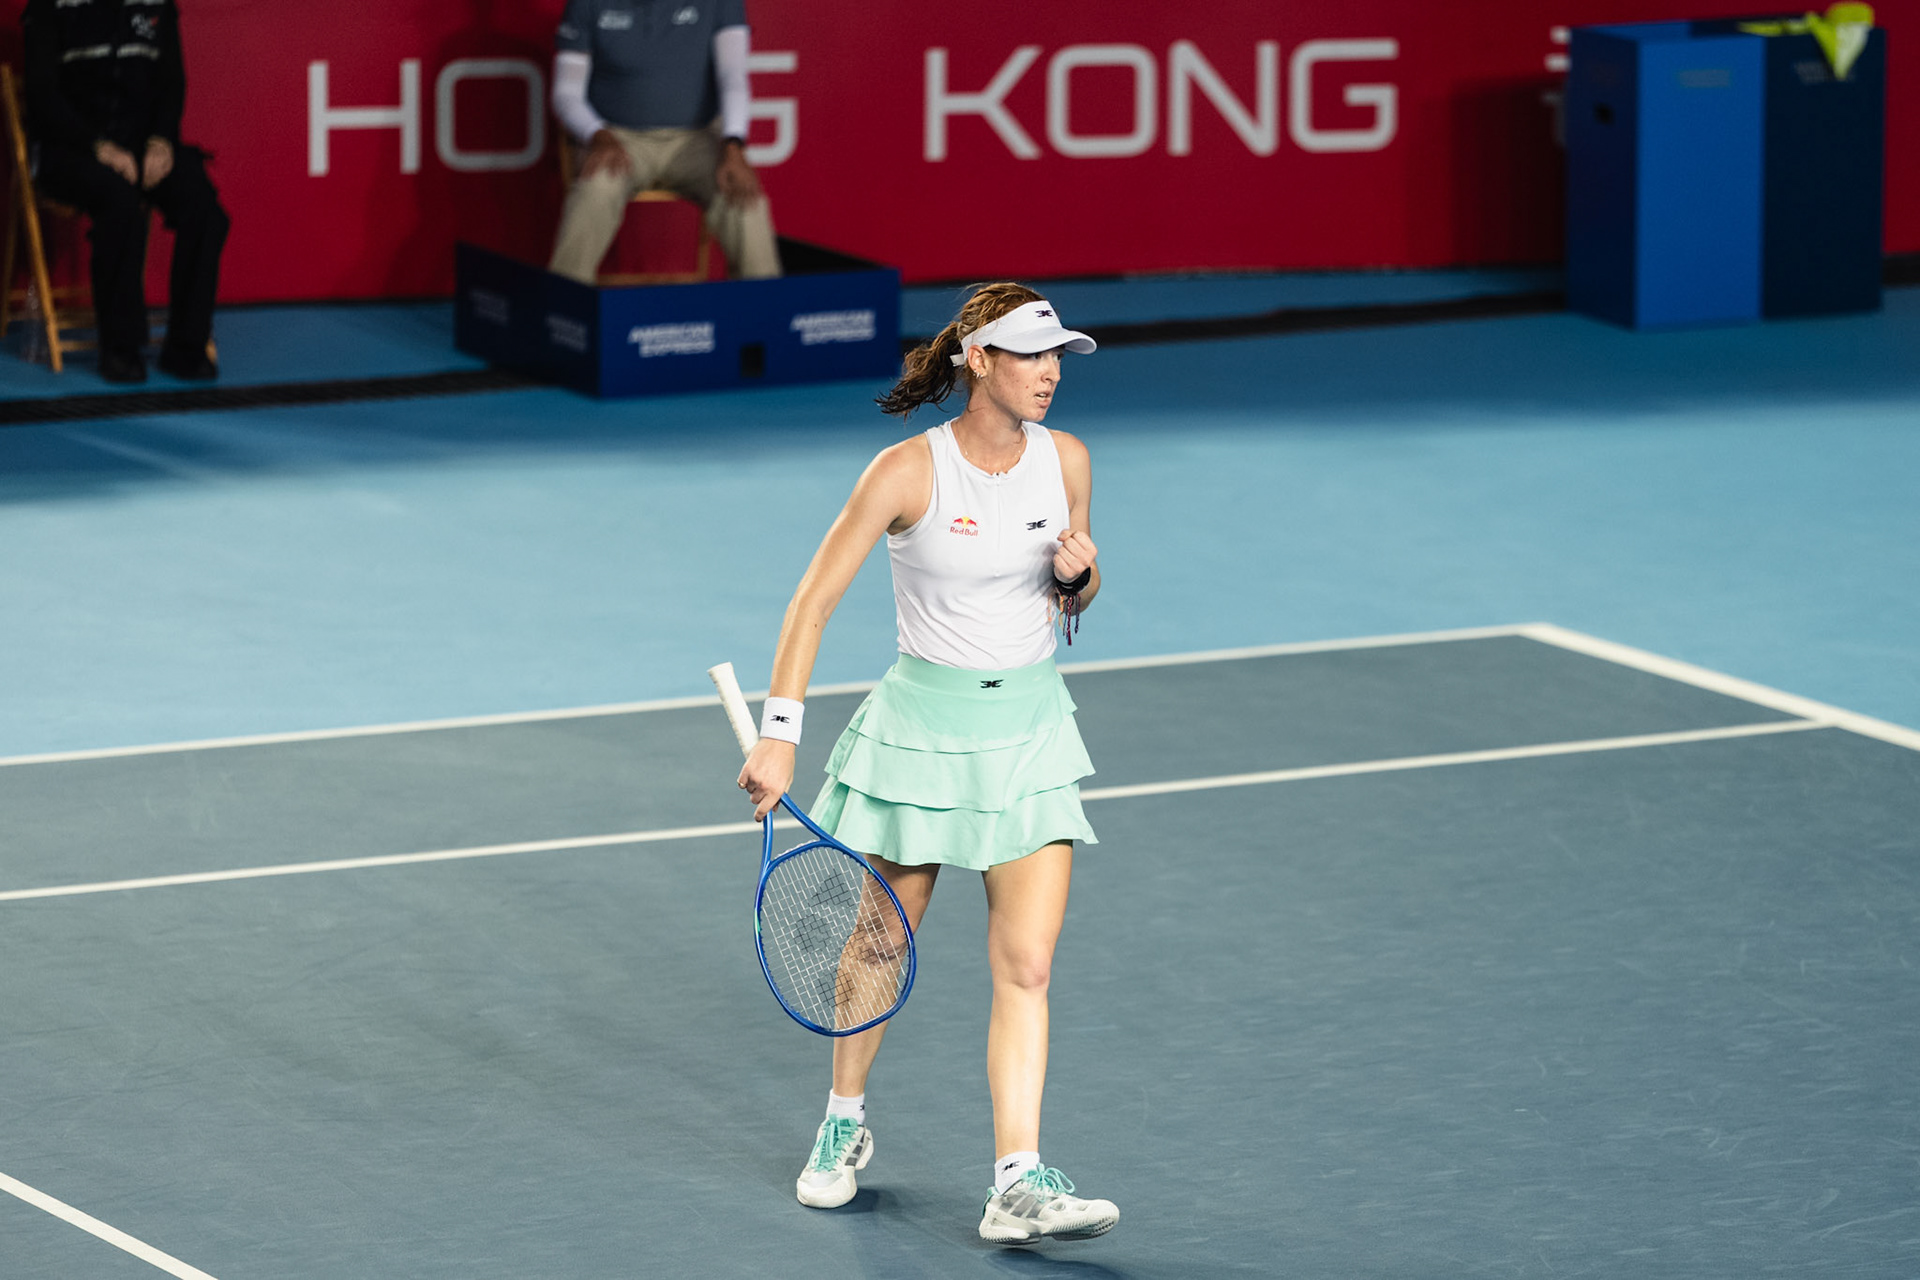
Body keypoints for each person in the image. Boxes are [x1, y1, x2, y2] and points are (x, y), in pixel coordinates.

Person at [735, 283, 1119, 1245]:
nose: (1052, 373)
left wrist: (1080, 578)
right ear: (979, 361)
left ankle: (1017, 1182)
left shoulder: (1067, 461)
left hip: (1029, 732)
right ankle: (841, 1125)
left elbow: (1075, 599)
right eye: (1033, 356)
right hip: (922, 733)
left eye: (1059, 354)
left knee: (1027, 967)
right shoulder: (907, 471)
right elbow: (811, 602)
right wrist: (780, 732)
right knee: (877, 943)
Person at [21, 0, 229, 383]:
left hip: (143, 147)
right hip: (71, 149)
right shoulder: (50, 8)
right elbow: (42, 94)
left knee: (204, 209)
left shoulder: (157, 6)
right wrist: (97, 146)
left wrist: (162, 141)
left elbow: (171, 83)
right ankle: (121, 347)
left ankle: (186, 346)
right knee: (119, 201)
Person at [548, 0, 780, 284]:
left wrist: (733, 142)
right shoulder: (587, 4)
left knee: (743, 198)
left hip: (695, 139)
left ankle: (763, 312)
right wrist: (597, 134)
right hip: (619, 139)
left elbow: (732, 76)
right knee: (595, 190)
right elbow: (566, 93)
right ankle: (565, 314)